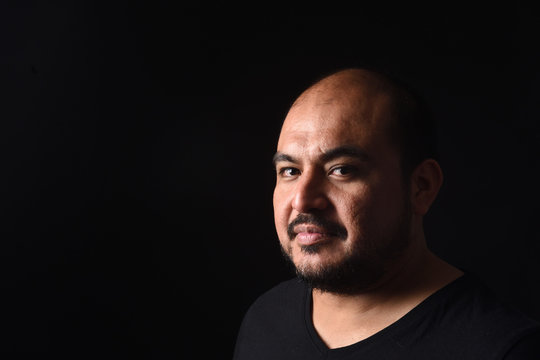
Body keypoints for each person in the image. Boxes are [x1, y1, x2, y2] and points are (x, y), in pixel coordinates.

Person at [233, 68, 540, 359]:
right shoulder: (266, 320)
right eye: (290, 171)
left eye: (341, 170)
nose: (302, 200)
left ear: (421, 187)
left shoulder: (501, 348)